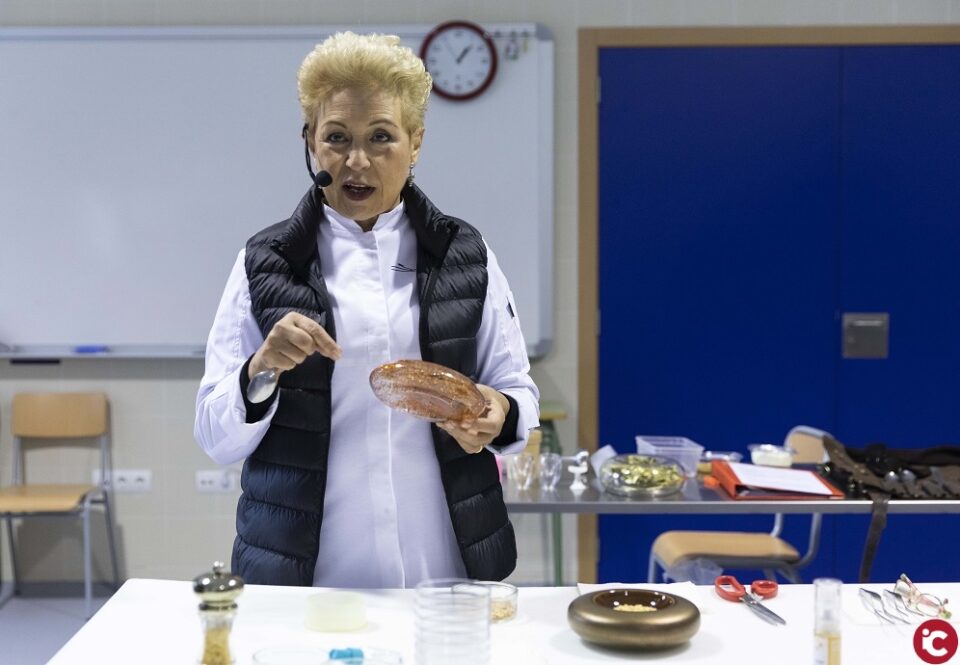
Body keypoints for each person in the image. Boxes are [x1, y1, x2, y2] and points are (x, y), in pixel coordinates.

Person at [194, 31, 539, 588]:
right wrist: (261, 368)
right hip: (307, 572)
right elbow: (215, 435)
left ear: (416, 143)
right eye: (337, 137)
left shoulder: (463, 254)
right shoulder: (267, 262)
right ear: (310, 143)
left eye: (381, 137)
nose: (357, 160)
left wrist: (497, 412)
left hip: (445, 566)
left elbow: (517, 391)